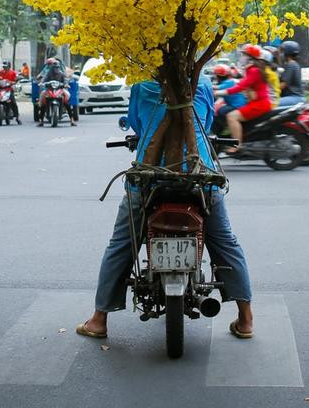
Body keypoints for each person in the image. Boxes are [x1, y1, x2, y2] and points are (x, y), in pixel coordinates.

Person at [76, 72, 254, 341]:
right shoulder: (201, 81)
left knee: (122, 243)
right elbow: (204, 124)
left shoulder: (142, 83)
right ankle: (246, 318)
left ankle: (100, 318)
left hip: (148, 178)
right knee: (225, 242)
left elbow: (136, 122)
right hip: (200, 177)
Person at [217, 45, 275, 152]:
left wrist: (220, 92)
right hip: (258, 102)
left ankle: (236, 146)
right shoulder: (253, 69)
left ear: (250, 57)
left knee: (231, 116)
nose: (241, 57)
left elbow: (241, 86)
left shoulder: (254, 71)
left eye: (244, 54)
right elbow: (242, 84)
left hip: (260, 104)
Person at [35, 54, 66, 124]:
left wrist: (65, 83)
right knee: (42, 95)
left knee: (66, 97)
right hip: (48, 88)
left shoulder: (61, 71)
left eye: (56, 67)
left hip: (58, 88)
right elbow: (42, 76)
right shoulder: (47, 71)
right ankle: (41, 117)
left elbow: (65, 77)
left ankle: (69, 115)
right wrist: (41, 81)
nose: (55, 68)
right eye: (49, 64)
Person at [277, 40, 305, 106]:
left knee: (272, 104)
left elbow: (283, 85)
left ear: (286, 53)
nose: (280, 54)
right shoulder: (292, 64)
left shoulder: (291, 64)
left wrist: (269, 91)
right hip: (292, 97)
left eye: (282, 51)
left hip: (294, 97)